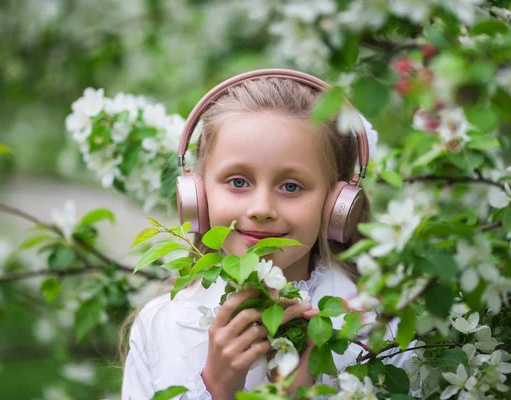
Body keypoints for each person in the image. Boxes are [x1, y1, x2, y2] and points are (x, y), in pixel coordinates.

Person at [121, 70, 405, 399]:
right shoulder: (160, 328)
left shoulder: (379, 331)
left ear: (335, 205)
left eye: (290, 186)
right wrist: (217, 387)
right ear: (197, 196)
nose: (261, 208)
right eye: (238, 182)